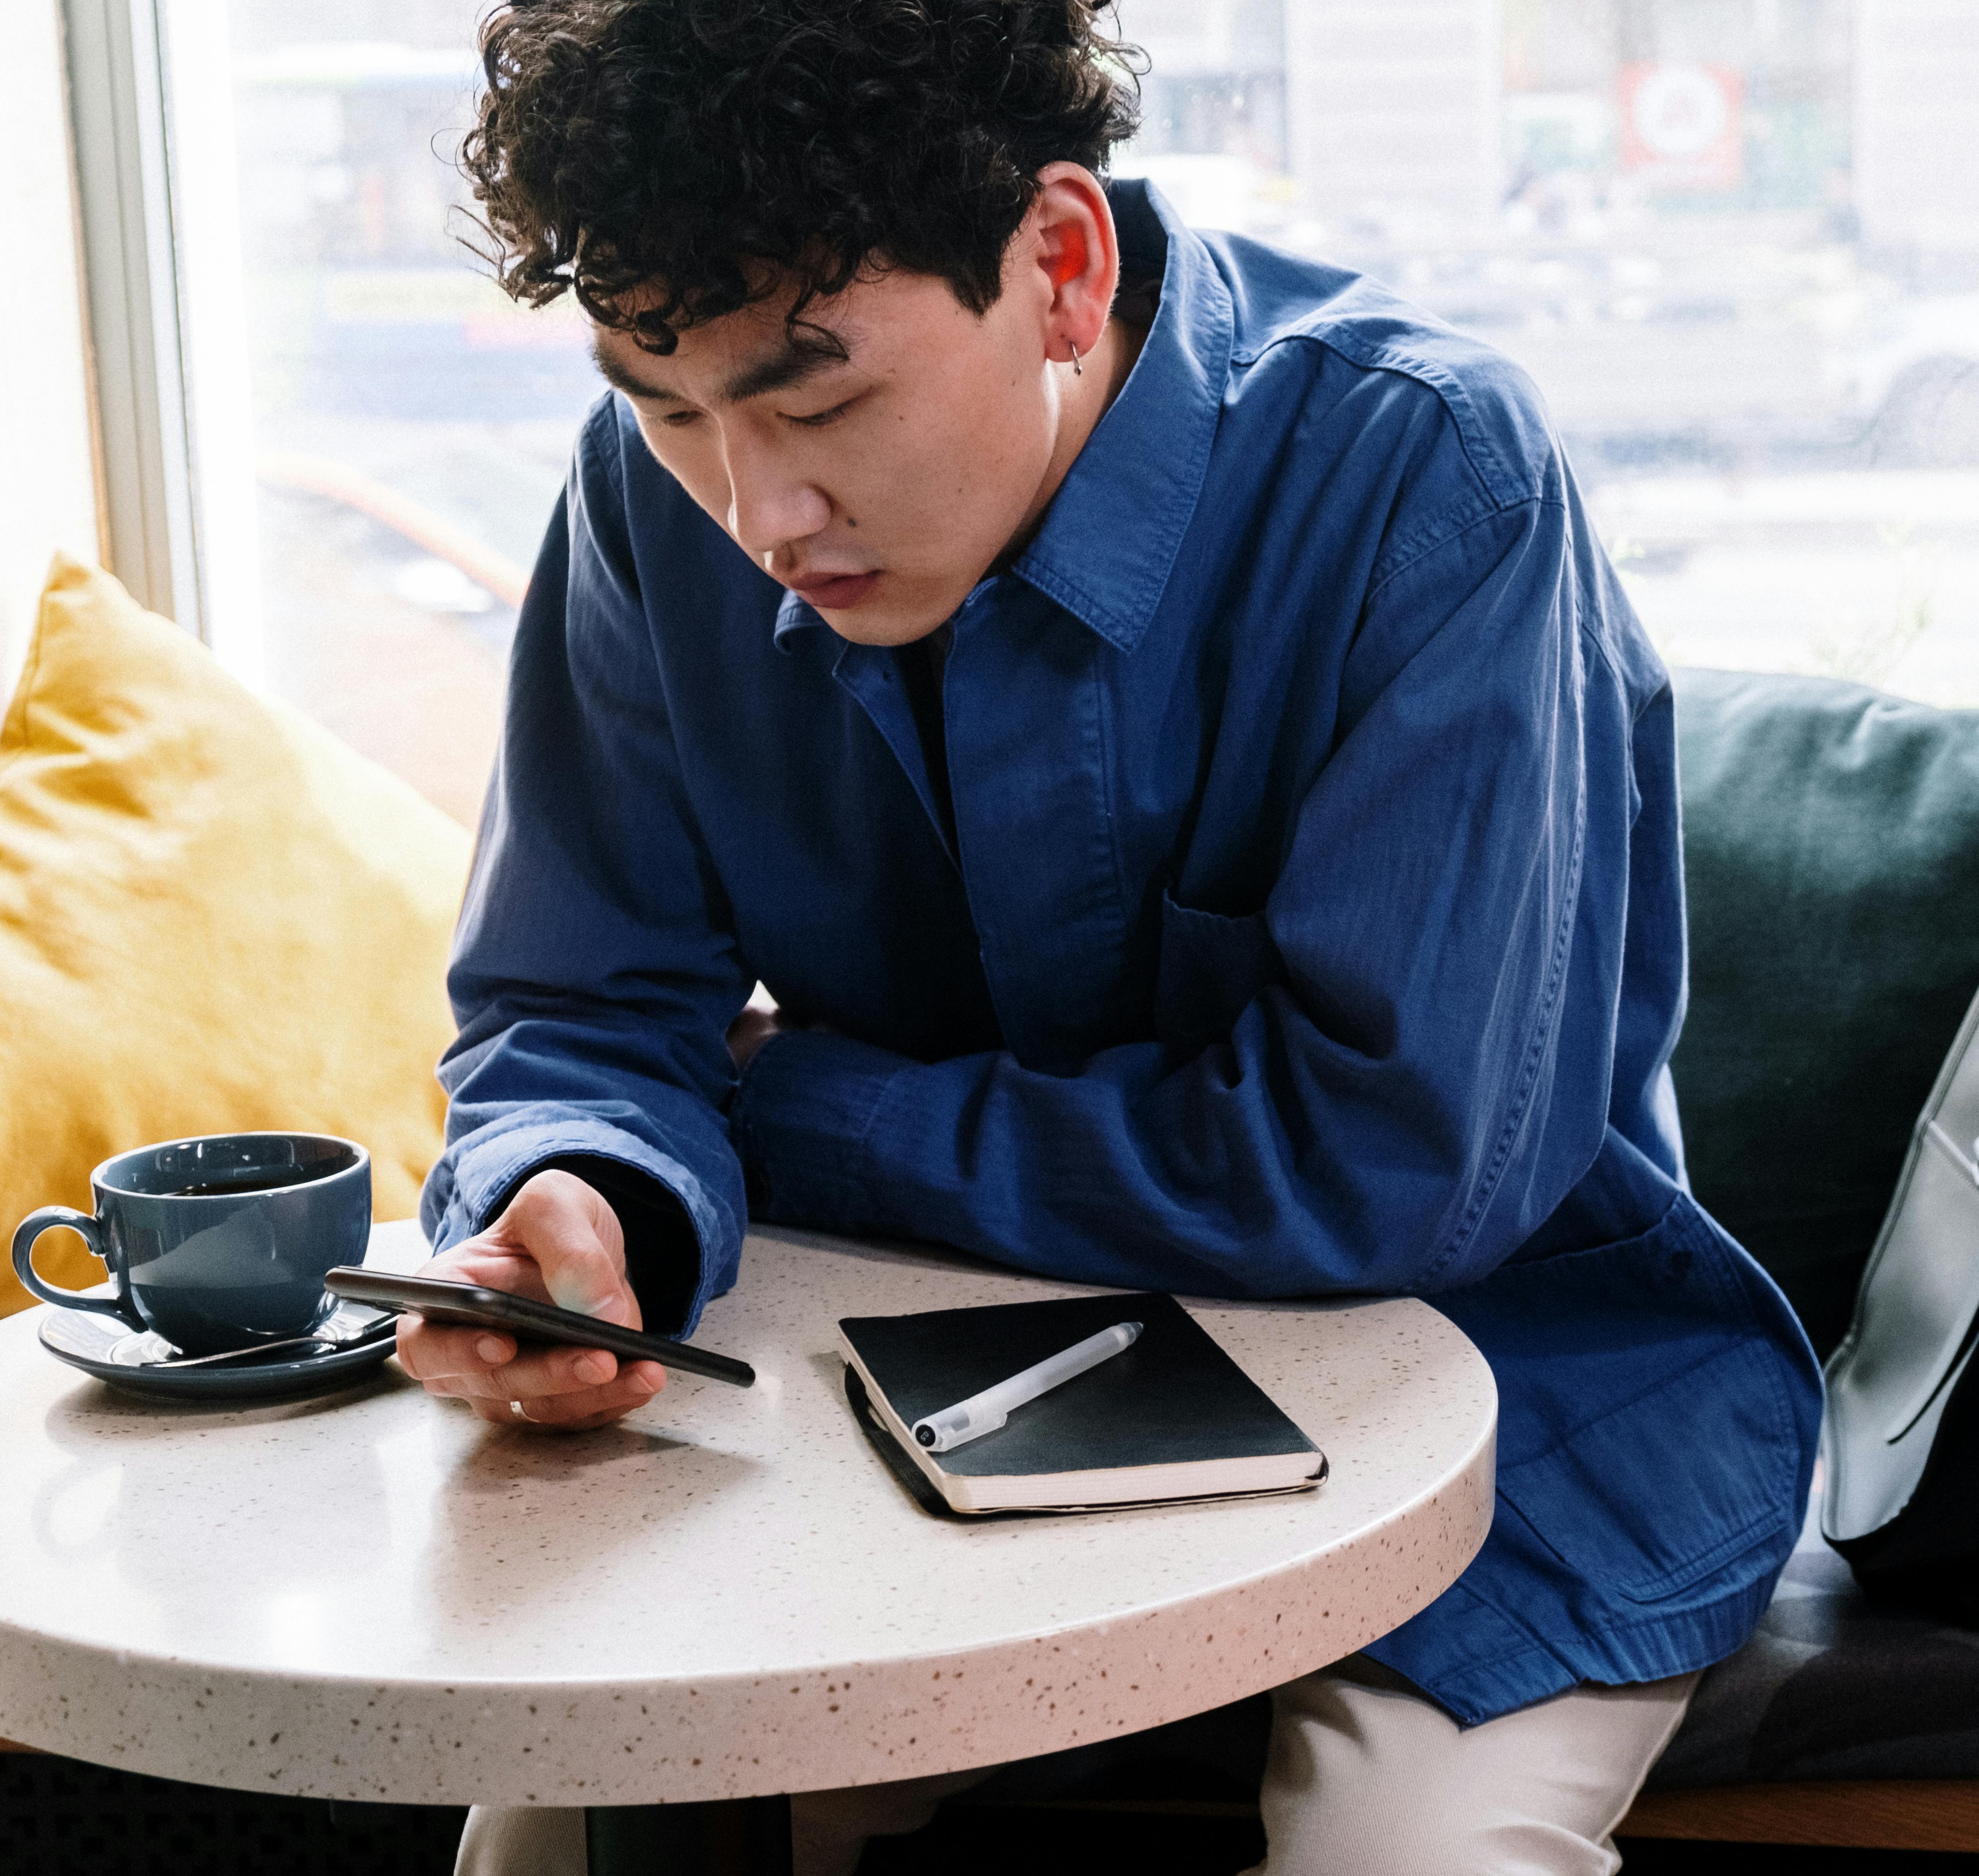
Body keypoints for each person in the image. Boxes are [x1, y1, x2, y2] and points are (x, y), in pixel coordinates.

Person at [400, 3, 1821, 1871]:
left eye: (819, 400)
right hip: (900, 1398)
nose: (758, 510)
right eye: (669, 407)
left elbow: (1393, 1169)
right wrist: (592, 1194)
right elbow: (575, 1002)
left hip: (1497, 1397)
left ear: (1059, 266)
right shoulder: (644, 507)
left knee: (1409, 1863)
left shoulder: (1428, 479)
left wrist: (797, 1111)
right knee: (565, 1840)